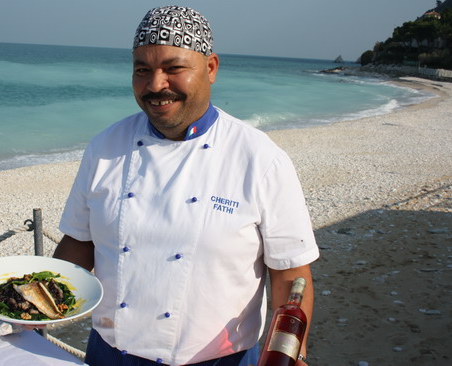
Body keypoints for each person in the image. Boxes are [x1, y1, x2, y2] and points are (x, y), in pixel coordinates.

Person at [54, 5, 319, 366]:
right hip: (109, 354)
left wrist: (289, 353)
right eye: (142, 70)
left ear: (210, 68)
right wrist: (31, 306)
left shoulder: (260, 159)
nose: (155, 85)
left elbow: (290, 275)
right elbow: (78, 243)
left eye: (173, 68)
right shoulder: (104, 148)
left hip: (222, 360)